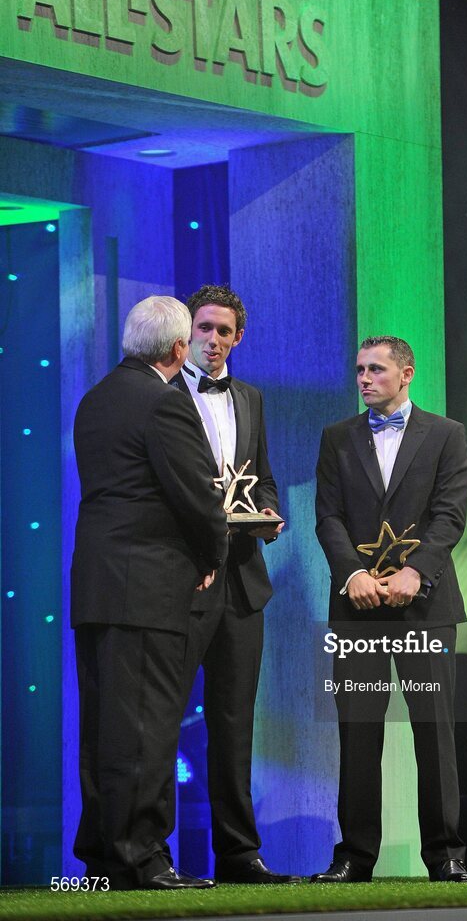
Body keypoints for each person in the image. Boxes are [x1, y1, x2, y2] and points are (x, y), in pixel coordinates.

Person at [71, 295, 229, 890]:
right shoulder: (166, 403)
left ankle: (103, 859)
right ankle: (142, 860)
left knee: (104, 728)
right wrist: (213, 554)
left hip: (97, 587)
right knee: (147, 728)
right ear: (179, 349)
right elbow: (197, 497)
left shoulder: (95, 398)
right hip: (149, 588)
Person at [313, 336, 467, 883]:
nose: (363, 378)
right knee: (358, 732)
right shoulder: (337, 438)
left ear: (406, 373)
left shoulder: (447, 435)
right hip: (357, 610)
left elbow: (450, 516)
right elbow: (327, 518)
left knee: (434, 730)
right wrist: (353, 575)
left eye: (375, 369)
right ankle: (355, 855)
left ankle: (446, 853)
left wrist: (415, 572)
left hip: (425, 608)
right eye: (359, 369)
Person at [170, 283, 300, 884]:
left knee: (233, 721)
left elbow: (262, 478)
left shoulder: (249, 397)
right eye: (205, 329)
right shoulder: (162, 395)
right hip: (179, 580)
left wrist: (269, 515)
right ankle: (148, 857)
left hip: (244, 582)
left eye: (225, 331)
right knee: (161, 718)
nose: (214, 340)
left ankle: (240, 855)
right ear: (185, 334)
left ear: (238, 338)